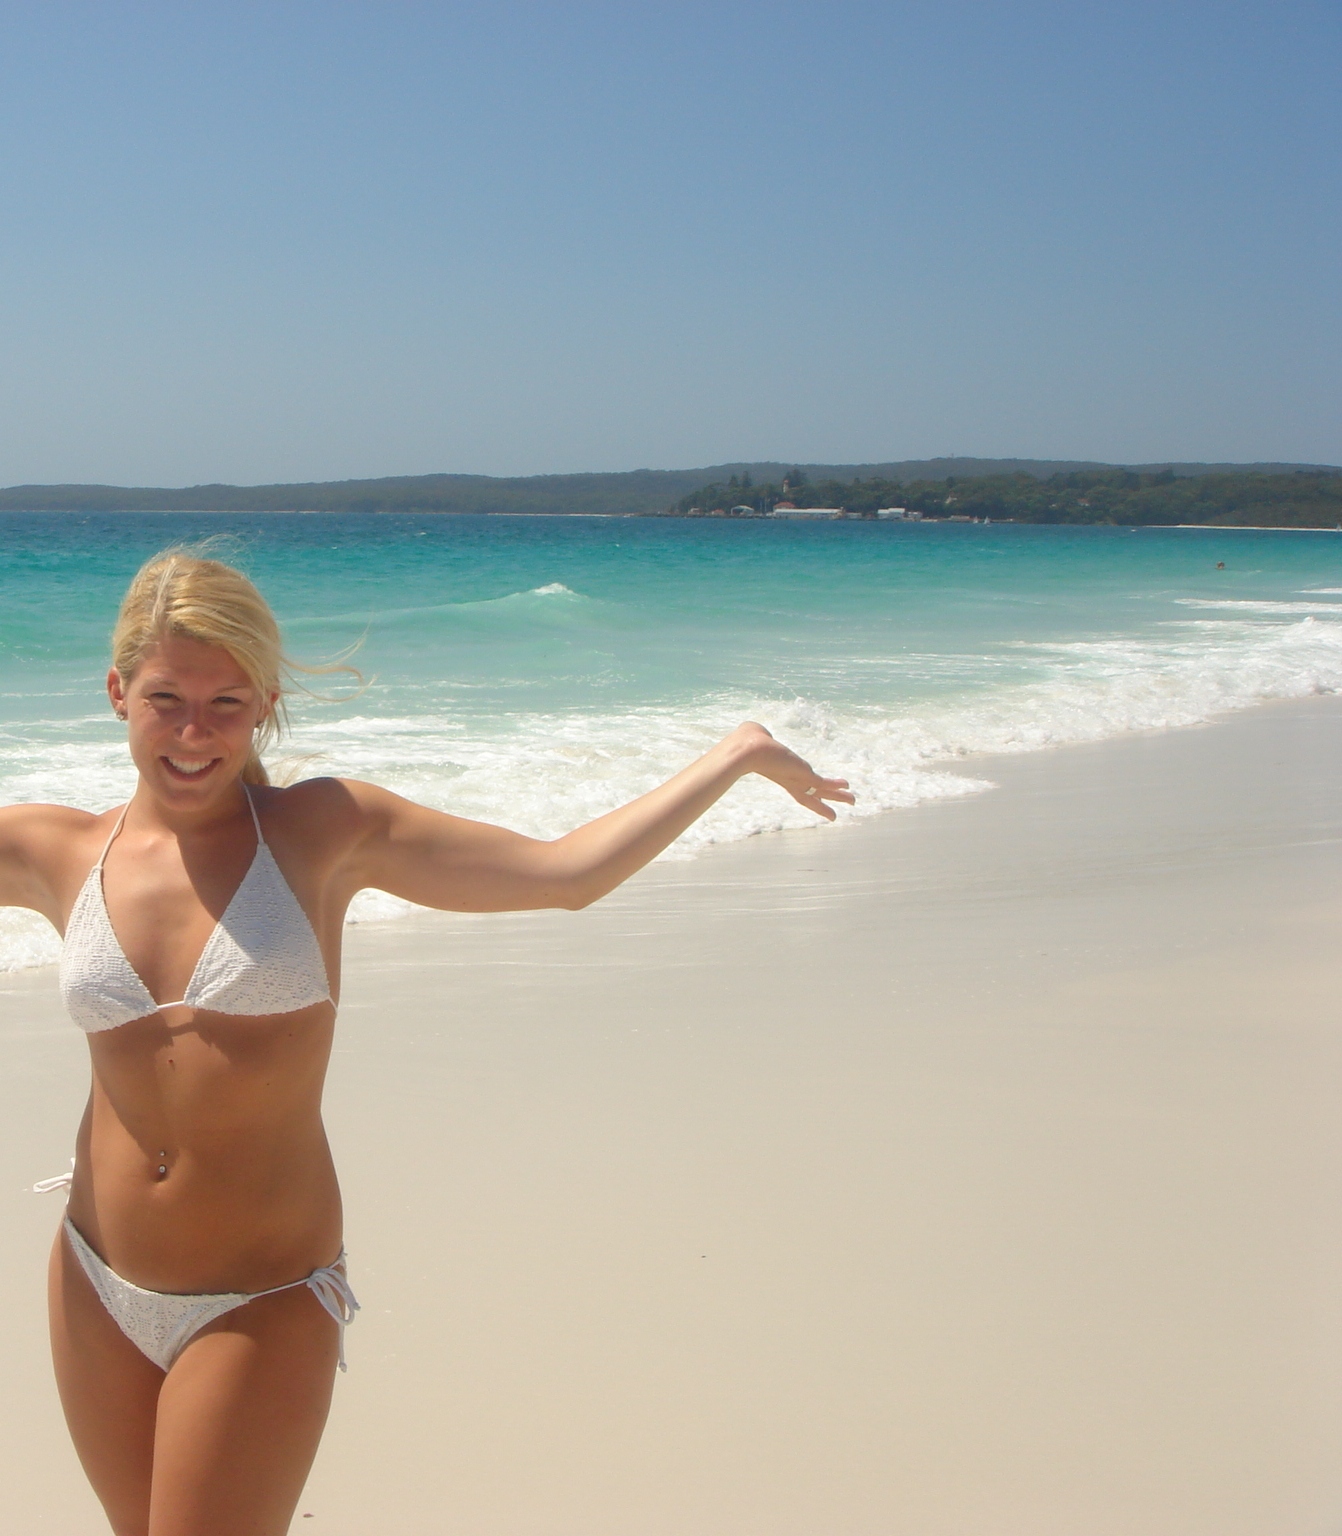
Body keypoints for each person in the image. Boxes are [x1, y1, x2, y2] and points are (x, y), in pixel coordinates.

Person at [1, 549, 853, 1536]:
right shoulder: (56, 849)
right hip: (95, 1281)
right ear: (118, 693)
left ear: (267, 704)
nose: (195, 733)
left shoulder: (325, 832)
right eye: (166, 700)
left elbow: (563, 875)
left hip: (259, 1298)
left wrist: (736, 757)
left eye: (226, 703)